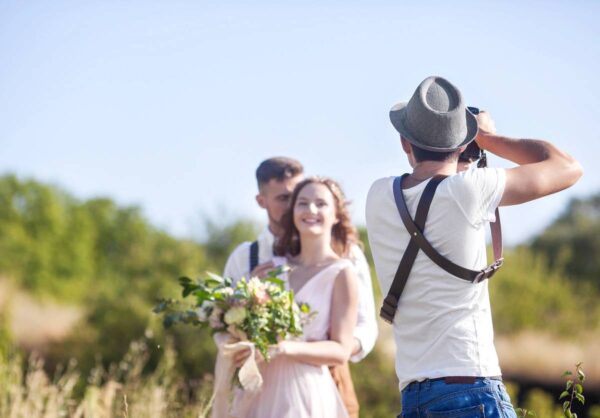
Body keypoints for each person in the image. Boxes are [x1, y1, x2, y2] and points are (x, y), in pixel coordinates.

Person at [365, 76, 582, 418]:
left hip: (413, 395)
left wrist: (465, 153)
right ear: (463, 142)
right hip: (470, 387)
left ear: (405, 142)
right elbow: (568, 167)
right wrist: (487, 138)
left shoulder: (378, 195)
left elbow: (434, 193)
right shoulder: (470, 191)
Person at [223, 157, 378, 417]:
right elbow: (224, 321)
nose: (305, 208)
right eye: (289, 199)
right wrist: (248, 298)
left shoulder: (346, 260)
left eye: (315, 201)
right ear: (262, 202)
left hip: (322, 380)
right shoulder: (254, 258)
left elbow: (365, 327)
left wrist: (314, 348)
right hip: (260, 384)